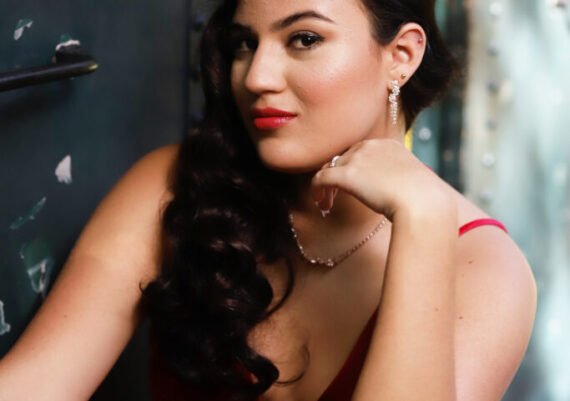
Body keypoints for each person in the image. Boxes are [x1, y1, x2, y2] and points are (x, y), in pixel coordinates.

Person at [0, 0, 537, 400]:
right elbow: (33, 385)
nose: (256, 77)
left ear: (401, 56)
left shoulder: (485, 269)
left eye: (303, 39)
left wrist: (423, 223)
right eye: (244, 43)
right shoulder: (174, 186)